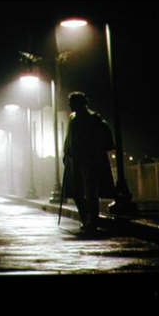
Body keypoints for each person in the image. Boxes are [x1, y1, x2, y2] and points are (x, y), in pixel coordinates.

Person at [62, 91, 116, 234]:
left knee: (91, 192)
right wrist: (66, 152)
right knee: (76, 192)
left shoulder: (93, 118)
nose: (70, 105)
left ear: (80, 103)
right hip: (75, 160)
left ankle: (92, 221)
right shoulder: (72, 117)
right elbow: (69, 138)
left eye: (72, 103)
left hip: (90, 160)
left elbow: (102, 138)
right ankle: (86, 218)